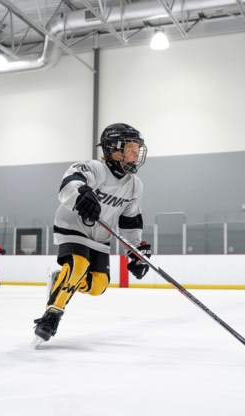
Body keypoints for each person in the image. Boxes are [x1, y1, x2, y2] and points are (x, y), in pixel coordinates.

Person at [32, 123, 152, 347]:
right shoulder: (95, 168)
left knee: (98, 285)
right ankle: (52, 315)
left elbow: (130, 221)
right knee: (78, 265)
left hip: (100, 237)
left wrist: (134, 252)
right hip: (73, 225)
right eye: (131, 149)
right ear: (114, 148)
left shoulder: (135, 186)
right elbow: (70, 182)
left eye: (137, 150)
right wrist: (81, 195)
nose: (136, 155)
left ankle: (60, 279)